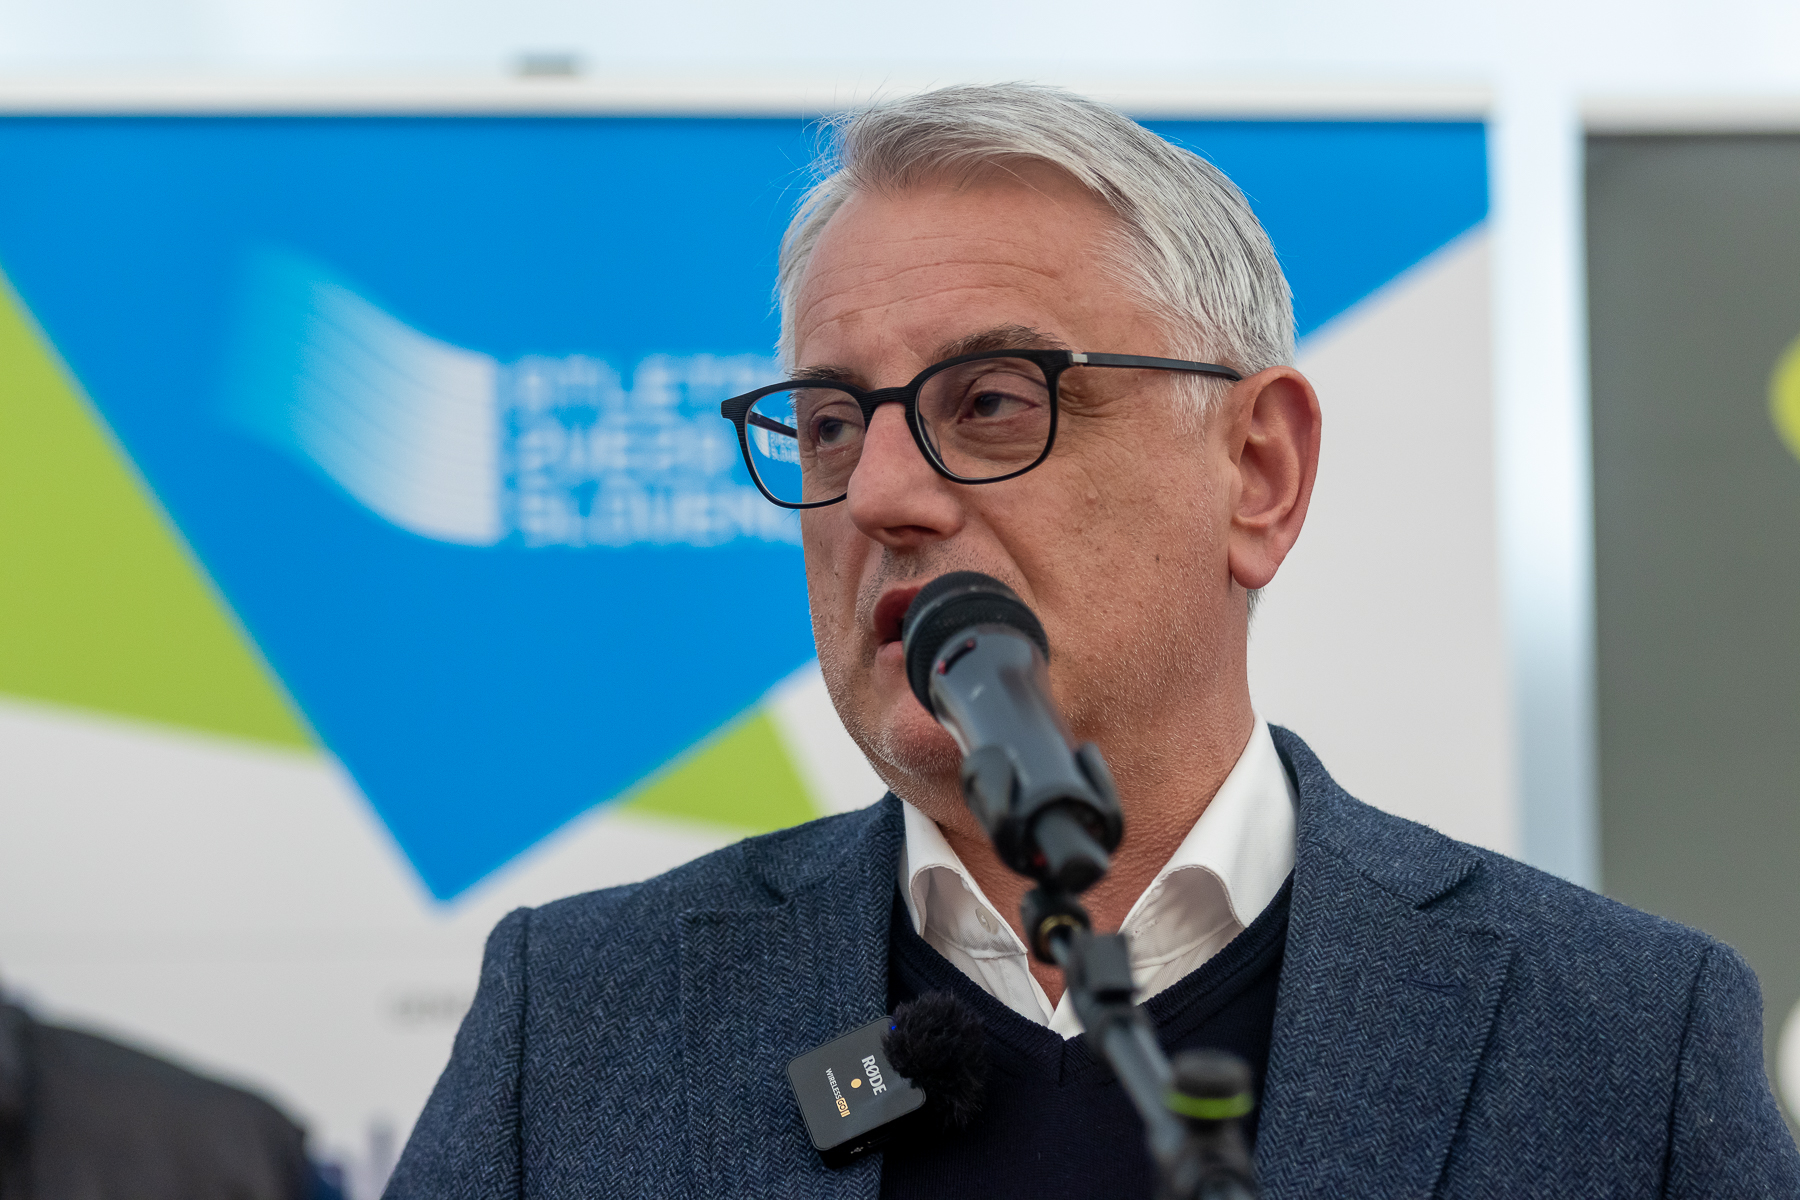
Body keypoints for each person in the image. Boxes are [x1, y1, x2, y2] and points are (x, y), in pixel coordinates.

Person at [387, 84, 1800, 1197]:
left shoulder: (1623, 1038)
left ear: (1257, 473)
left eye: (994, 401)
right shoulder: (579, 1023)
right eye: (828, 424)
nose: (879, 495)